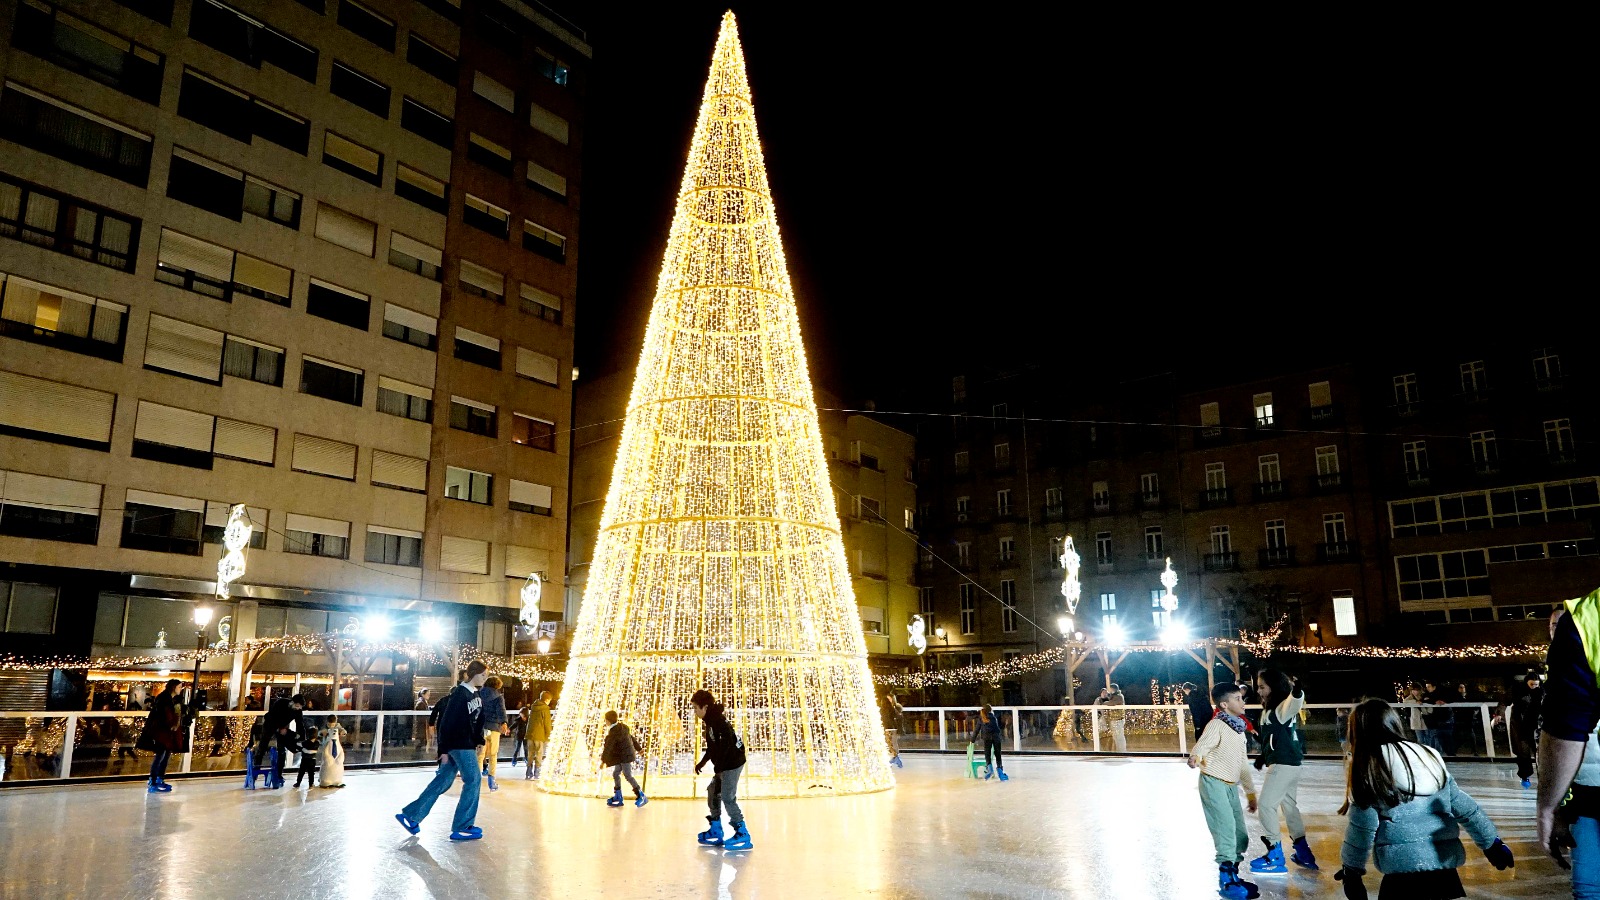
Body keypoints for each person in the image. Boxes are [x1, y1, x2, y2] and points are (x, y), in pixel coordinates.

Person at [1336, 698, 1513, 900]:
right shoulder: (1428, 757)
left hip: (1401, 877)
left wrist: (1352, 872)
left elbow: (1363, 827)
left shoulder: (1370, 765)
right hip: (1444, 874)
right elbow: (1464, 807)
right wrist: (1492, 843)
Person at [396, 661, 488, 842]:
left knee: (443, 781)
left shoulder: (475, 693)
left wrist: (478, 740)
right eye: (483, 675)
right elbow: (446, 723)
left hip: (465, 743)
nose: (485, 678)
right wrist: (443, 749)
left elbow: (477, 720)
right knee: (474, 779)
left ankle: (412, 816)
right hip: (459, 744)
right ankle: (462, 827)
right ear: (474, 674)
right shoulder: (460, 695)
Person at [1187, 681, 1259, 899]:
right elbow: (1203, 745)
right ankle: (1226, 880)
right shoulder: (1217, 724)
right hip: (1213, 783)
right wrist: (1195, 757)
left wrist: (1250, 793)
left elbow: (1242, 763)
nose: (1242, 702)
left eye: (1241, 697)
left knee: (1240, 834)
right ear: (1224, 705)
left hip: (1230, 785)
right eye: (1237, 698)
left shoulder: (1238, 728)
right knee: (1226, 830)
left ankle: (1234, 875)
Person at [1249, 670, 1316, 874]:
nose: (1259, 691)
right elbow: (1275, 737)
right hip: (1288, 763)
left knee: (1267, 805)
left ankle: (1275, 855)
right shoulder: (1270, 710)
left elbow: (1294, 702)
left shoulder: (1281, 707)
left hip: (1283, 764)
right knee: (1289, 806)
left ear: (1274, 687)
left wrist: (1297, 690)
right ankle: (1303, 851)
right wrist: (1264, 755)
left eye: (1262, 686)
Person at [692, 689, 750, 850]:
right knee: (713, 790)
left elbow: (726, 746)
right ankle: (716, 828)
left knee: (727, 797)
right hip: (725, 762)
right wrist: (702, 763)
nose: (695, 712)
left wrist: (720, 769)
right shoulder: (710, 721)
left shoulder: (717, 721)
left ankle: (742, 832)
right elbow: (713, 747)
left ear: (705, 707)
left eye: (696, 708)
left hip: (733, 762)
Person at [136, 679, 185, 793]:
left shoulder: (168, 699)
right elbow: (166, 718)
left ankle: (159, 779)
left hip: (164, 733)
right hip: (162, 733)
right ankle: (154, 780)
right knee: (161, 755)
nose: (180, 689)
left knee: (165, 755)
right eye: (179, 687)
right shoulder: (165, 699)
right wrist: (176, 719)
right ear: (173, 687)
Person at [255, 694, 306, 789]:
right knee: (262, 747)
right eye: (297, 706)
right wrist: (279, 728)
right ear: (292, 703)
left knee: (282, 750)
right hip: (270, 725)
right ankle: (256, 768)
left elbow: (300, 724)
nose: (298, 708)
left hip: (282, 728)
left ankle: (279, 773)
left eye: (300, 707)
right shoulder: (281, 703)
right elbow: (272, 716)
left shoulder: (298, 711)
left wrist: (303, 738)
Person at [600, 710, 647, 807]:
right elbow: (632, 738)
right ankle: (618, 795)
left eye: (605, 720)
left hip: (625, 756)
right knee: (616, 773)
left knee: (628, 775)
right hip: (622, 756)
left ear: (608, 721)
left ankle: (641, 795)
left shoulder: (613, 733)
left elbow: (608, 748)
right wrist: (639, 749)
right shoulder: (623, 727)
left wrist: (603, 761)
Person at [1510, 672, 1543, 788]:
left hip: (1537, 729)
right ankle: (1525, 776)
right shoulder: (1519, 693)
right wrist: (1498, 714)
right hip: (1522, 729)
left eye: (1536, 684)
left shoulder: (1542, 693)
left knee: (1540, 755)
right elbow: (1505, 701)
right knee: (1523, 754)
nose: (1534, 686)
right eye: (1532, 684)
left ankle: (1542, 778)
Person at [477, 676, 508, 791]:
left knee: (480, 754)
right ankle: (491, 781)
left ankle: (478, 781)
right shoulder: (498, 697)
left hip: (482, 728)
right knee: (493, 754)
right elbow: (501, 710)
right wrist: (504, 722)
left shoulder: (479, 694)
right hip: (494, 728)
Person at [973, 704, 1008, 781]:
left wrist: (972, 740)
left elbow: (976, 730)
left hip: (987, 738)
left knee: (987, 754)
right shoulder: (994, 717)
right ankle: (1000, 772)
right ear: (991, 710)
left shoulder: (981, 719)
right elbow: (998, 728)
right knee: (998, 754)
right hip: (996, 737)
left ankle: (990, 769)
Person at [526, 690, 553, 780]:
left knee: (530, 753)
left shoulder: (533, 707)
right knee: (539, 753)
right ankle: (537, 773)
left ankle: (528, 772)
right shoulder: (545, 709)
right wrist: (549, 736)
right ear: (547, 700)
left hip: (530, 734)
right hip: (539, 735)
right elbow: (547, 724)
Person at [1420, 681, 1452, 754]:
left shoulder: (1440, 694)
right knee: (1433, 736)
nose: (1427, 688)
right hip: (1431, 720)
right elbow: (1424, 701)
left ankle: (1439, 752)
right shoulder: (1426, 695)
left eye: (1429, 686)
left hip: (1440, 720)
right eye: (1426, 687)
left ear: (1434, 687)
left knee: (1438, 737)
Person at [319, 722, 348, 788]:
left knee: (339, 766)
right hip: (329, 759)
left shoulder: (338, 727)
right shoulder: (325, 729)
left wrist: (340, 758)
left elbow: (341, 751)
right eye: (330, 724)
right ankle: (325, 781)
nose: (332, 726)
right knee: (327, 766)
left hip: (337, 762)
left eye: (333, 724)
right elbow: (325, 753)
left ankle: (337, 781)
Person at [1104, 683, 1128, 752]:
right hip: (1114, 719)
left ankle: (1122, 751)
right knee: (1116, 737)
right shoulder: (1114, 696)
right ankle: (1119, 751)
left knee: (1119, 737)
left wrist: (1105, 703)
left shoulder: (1119, 696)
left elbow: (1111, 703)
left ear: (1113, 689)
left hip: (1118, 719)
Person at [510, 701, 530, 767]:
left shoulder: (529, 720)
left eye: (521, 714)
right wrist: (509, 730)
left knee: (526, 748)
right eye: (520, 714)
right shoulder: (519, 720)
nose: (520, 715)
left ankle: (526, 759)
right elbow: (514, 725)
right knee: (517, 748)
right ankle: (514, 760)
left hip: (526, 736)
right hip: (519, 736)